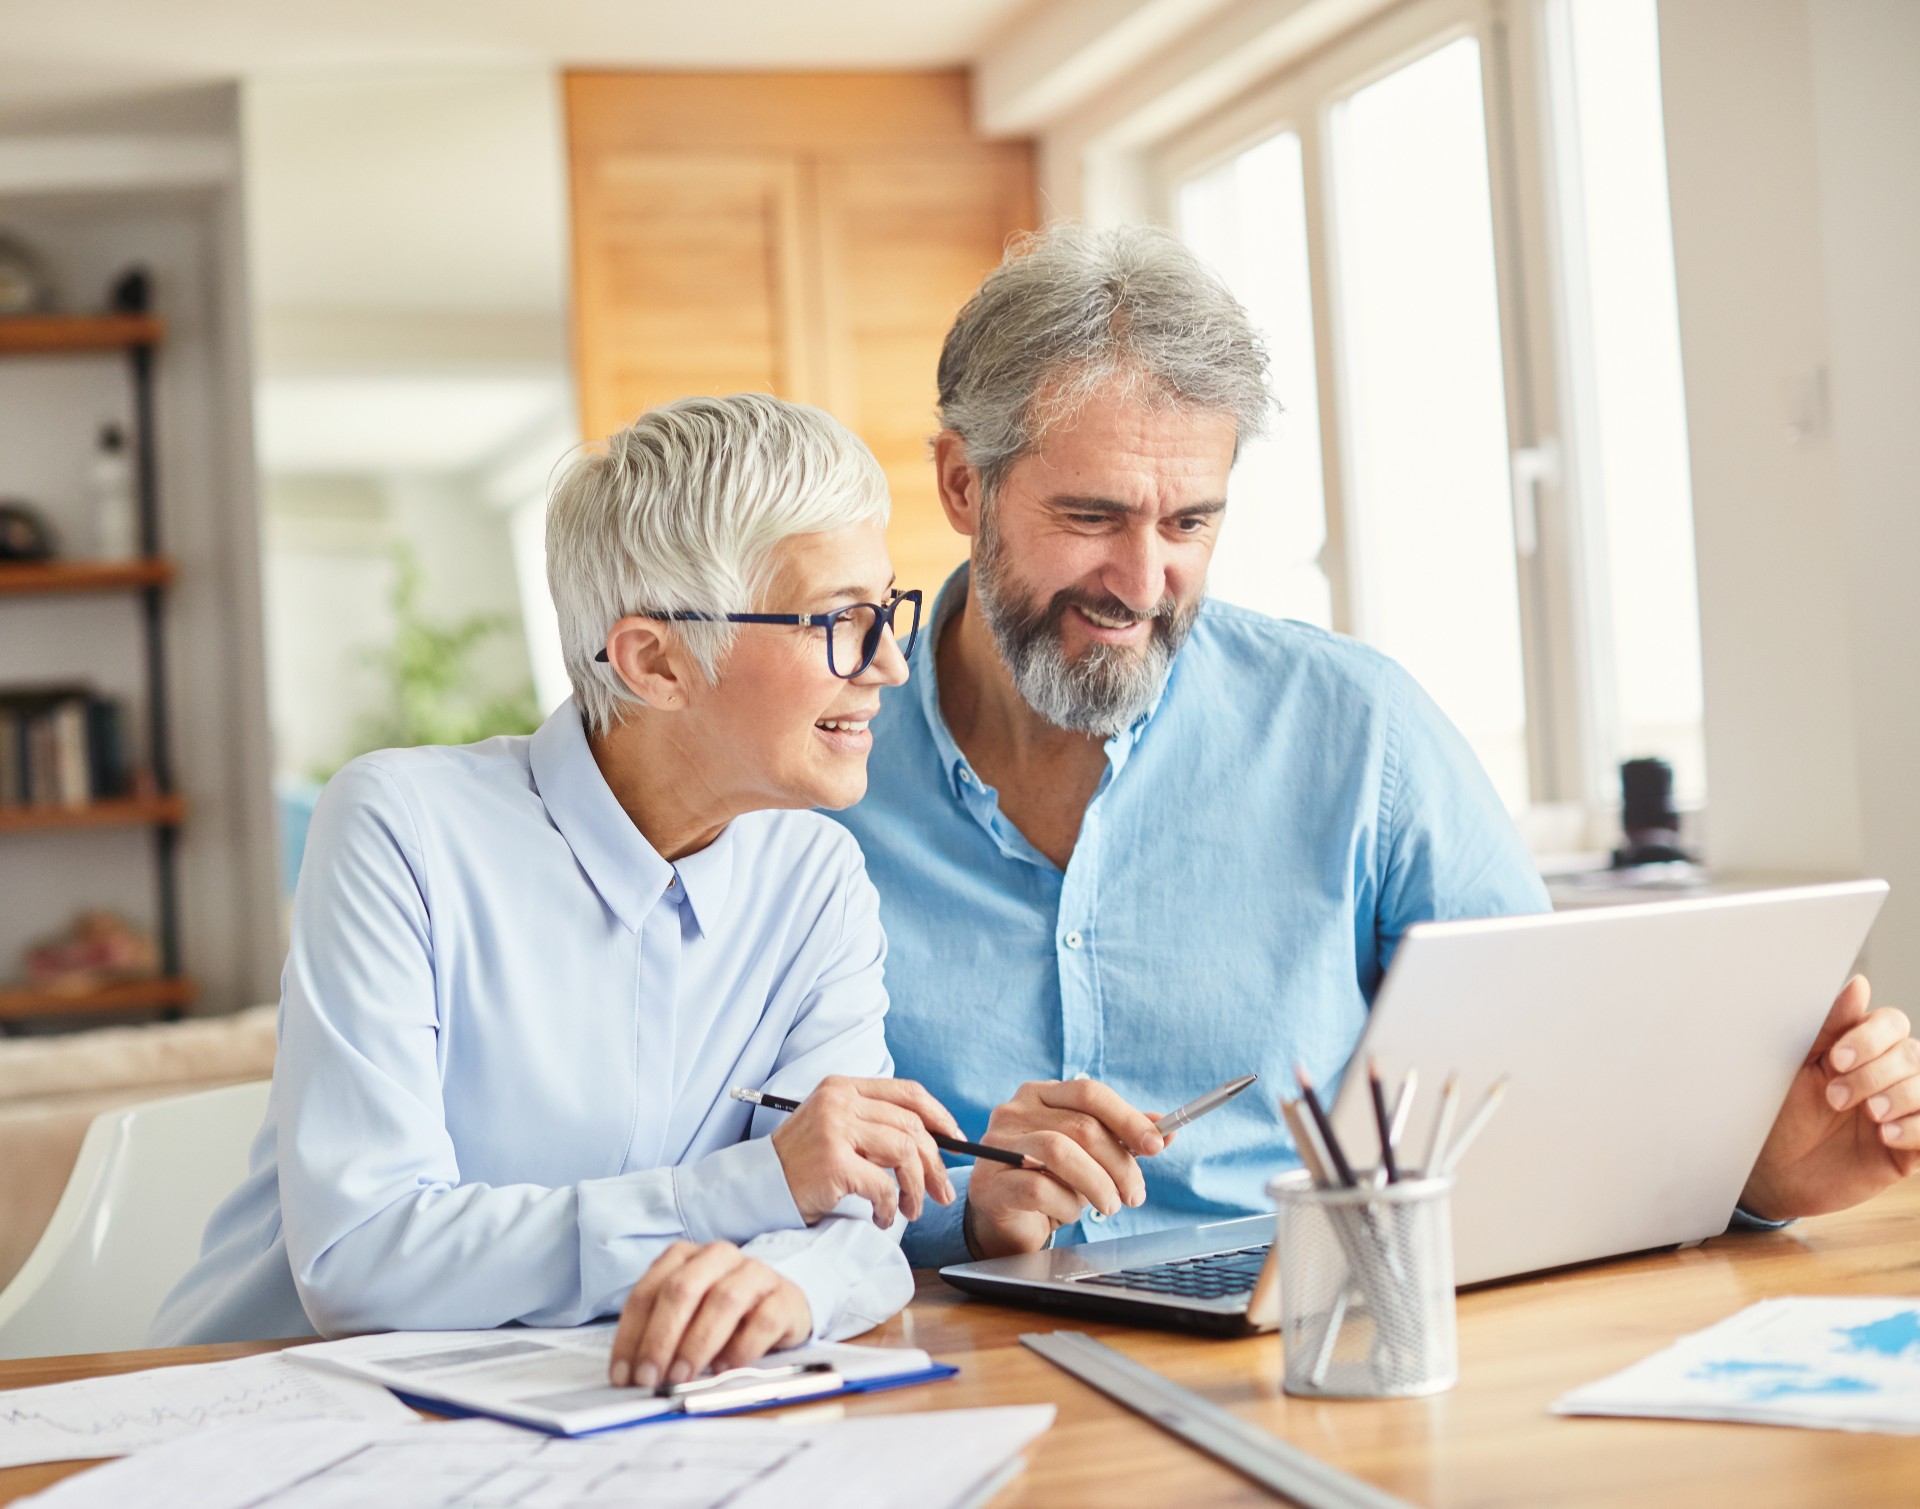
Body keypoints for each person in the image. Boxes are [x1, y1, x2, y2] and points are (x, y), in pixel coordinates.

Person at [829, 225, 1920, 1267]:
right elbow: (722, 1170)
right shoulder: (819, 773)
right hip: (961, 1364)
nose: (1144, 581)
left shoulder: (1361, 734)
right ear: (963, 483)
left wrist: (1756, 1182)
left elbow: (1549, 1090)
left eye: (1189, 523)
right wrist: (965, 1219)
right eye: (1093, 517)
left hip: (1314, 1337)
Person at [154, 393, 963, 1393]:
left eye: (887, 610)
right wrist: (753, 1189)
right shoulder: (400, 828)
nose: (888, 662)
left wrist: (789, 1288)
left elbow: (853, 1222)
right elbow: (360, 1262)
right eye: (840, 620)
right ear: (654, 661)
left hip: (604, 1413)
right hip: (280, 1411)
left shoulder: (817, 879)